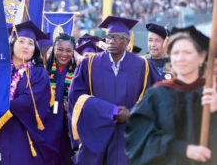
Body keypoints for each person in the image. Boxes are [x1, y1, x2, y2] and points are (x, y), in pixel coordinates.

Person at [68, 16, 162, 165]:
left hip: (130, 136)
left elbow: (157, 98)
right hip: (97, 136)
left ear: (127, 41)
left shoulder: (143, 65)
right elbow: (77, 100)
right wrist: (109, 112)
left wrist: (132, 114)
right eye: (109, 37)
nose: (111, 41)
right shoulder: (88, 64)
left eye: (117, 37)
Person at [125, 25, 217, 165]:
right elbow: (138, 140)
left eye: (187, 52)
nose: (181, 58)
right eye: (176, 53)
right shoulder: (156, 95)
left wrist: (215, 112)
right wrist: (183, 149)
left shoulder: (210, 93)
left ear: (201, 57)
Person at [0, 21, 55, 165]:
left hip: (22, 135)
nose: (25, 46)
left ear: (35, 49)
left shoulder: (39, 74)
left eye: (30, 43)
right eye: (21, 41)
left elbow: (28, 102)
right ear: (12, 43)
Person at [44, 33, 77, 165]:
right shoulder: (43, 70)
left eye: (68, 50)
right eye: (60, 49)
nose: (64, 54)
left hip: (67, 129)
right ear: (54, 49)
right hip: (46, 126)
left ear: (73, 52)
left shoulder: (78, 72)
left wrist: (72, 106)